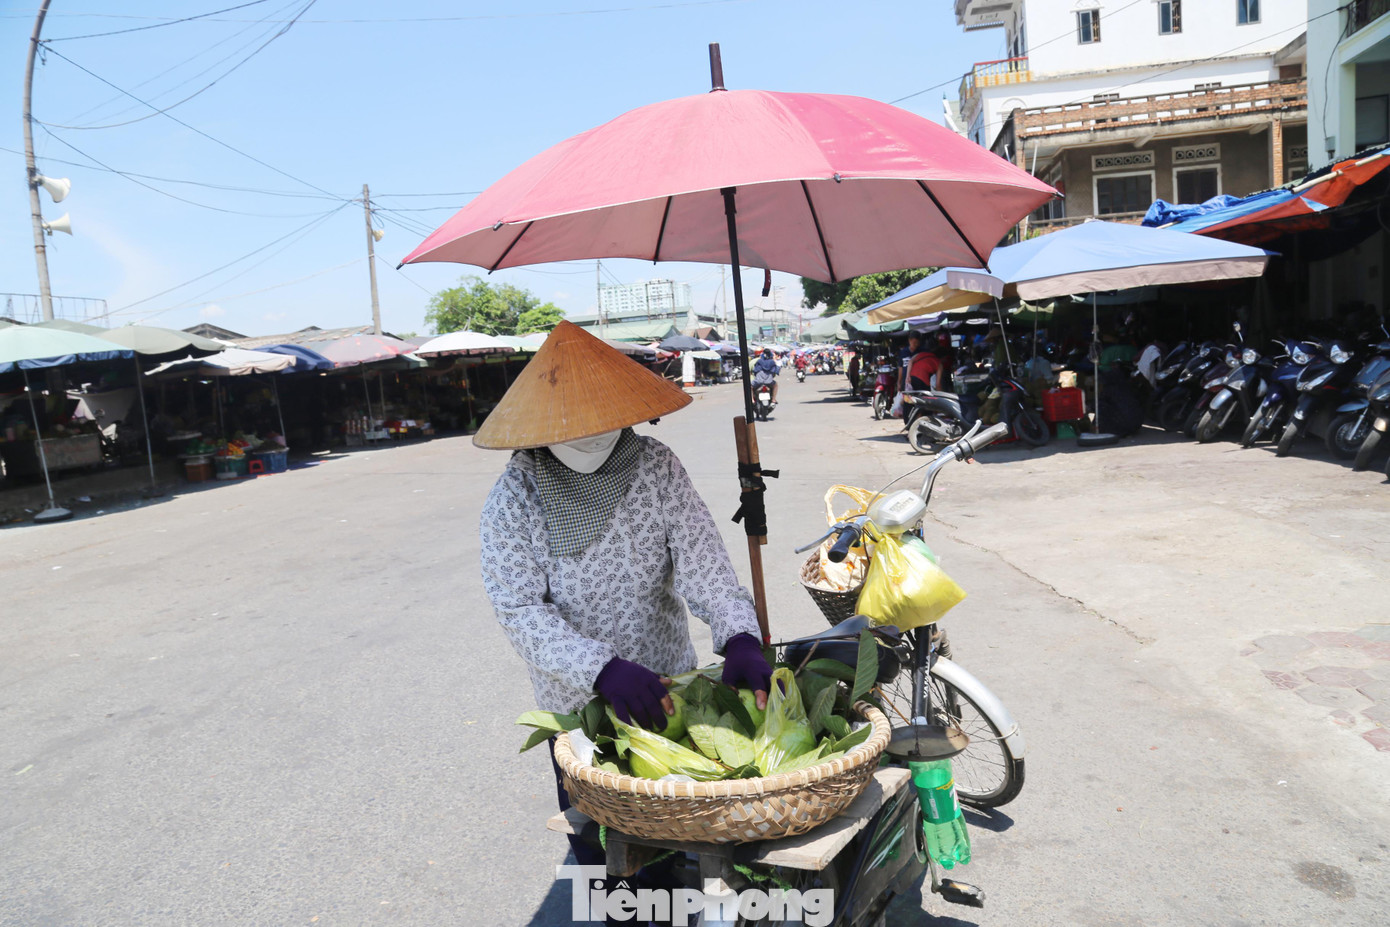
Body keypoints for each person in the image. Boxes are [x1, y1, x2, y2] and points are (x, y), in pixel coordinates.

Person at [477, 322, 773, 885]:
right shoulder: (515, 497)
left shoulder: (656, 465)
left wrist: (739, 635)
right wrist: (601, 670)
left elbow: (703, 561)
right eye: (576, 428)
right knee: (610, 864)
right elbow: (519, 610)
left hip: (669, 694)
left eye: (602, 422)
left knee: (679, 846)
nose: (592, 436)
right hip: (580, 710)